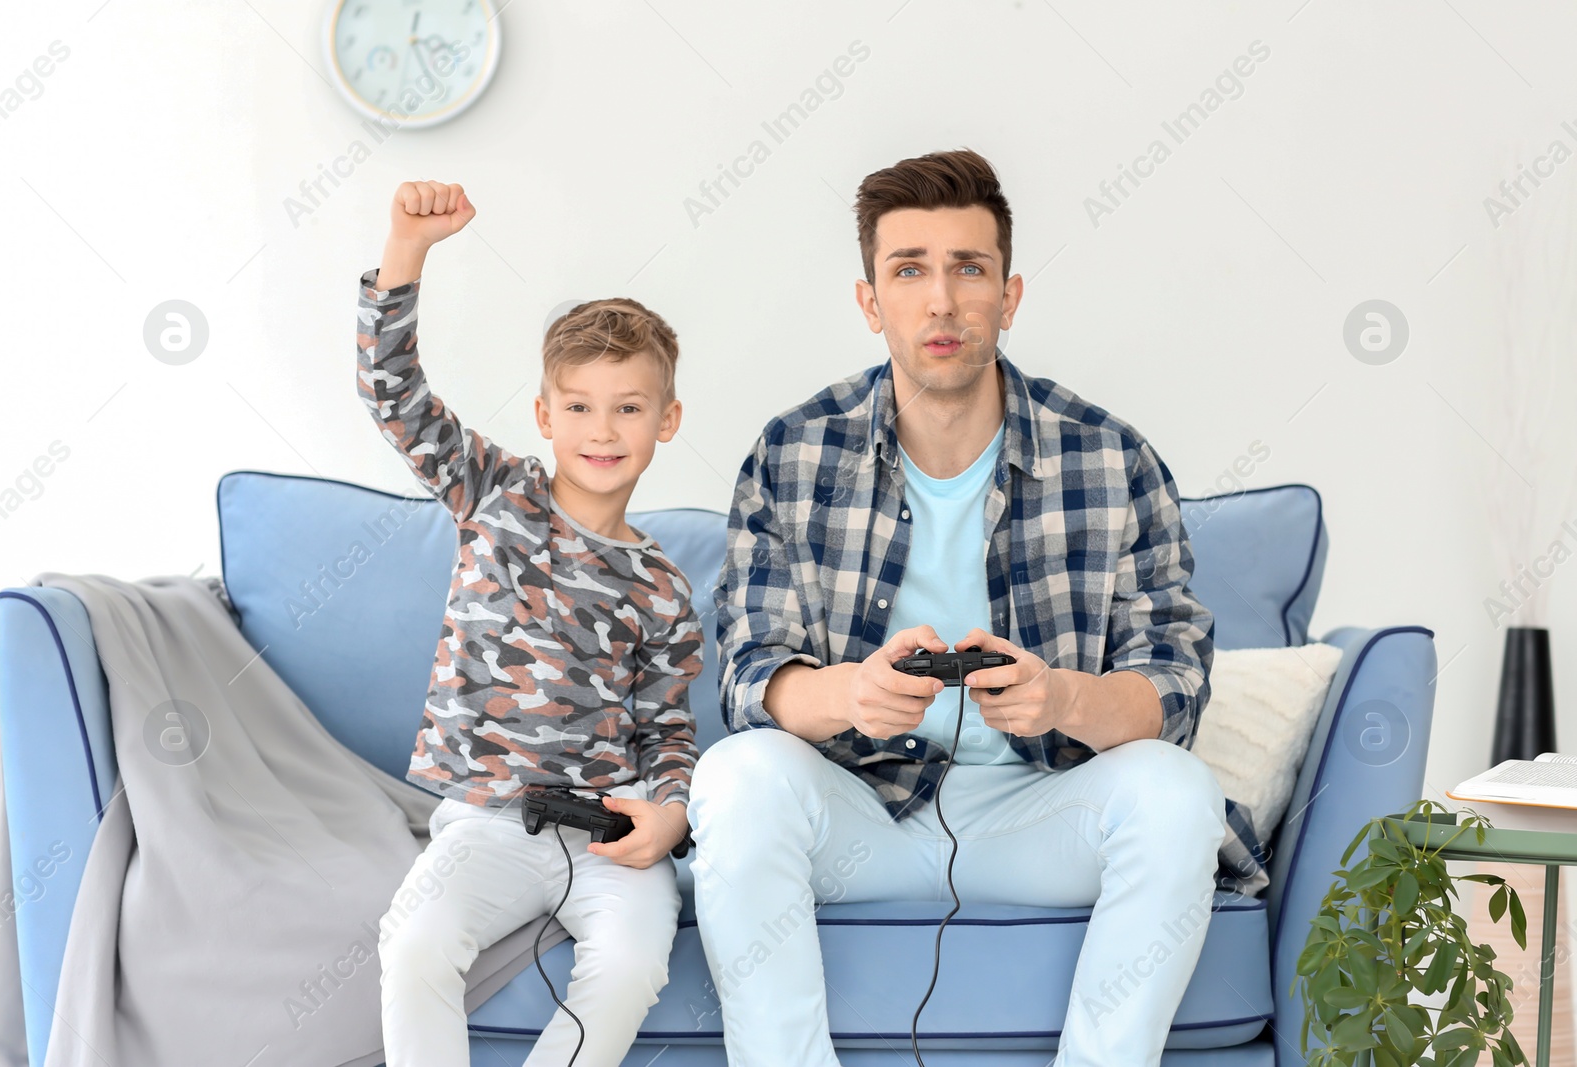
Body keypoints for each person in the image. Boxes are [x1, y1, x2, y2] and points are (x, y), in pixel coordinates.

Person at [689, 149, 1266, 1067]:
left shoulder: (1111, 457)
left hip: (1041, 811)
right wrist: (852, 693)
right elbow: (750, 674)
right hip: (861, 812)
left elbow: (1176, 682)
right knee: (735, 775)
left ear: (1010, 292)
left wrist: (1065, 700)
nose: (942, 301)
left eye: (970, 268)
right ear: (870, 301)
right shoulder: (793, 453)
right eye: (909, 269)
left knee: (1177, 793)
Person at [359, 180, 701, 1067]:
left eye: (629, 406)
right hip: (488, 819)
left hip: (609, 835)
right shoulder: (496, 493)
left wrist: (668, 815)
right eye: (580, 406)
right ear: (546, 415)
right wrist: (408, 246)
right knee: (416, 946)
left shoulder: (664, 586)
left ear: (666, 421)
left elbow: (667, 728)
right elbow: (393, 393)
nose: (603, 428)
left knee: (629, 964)